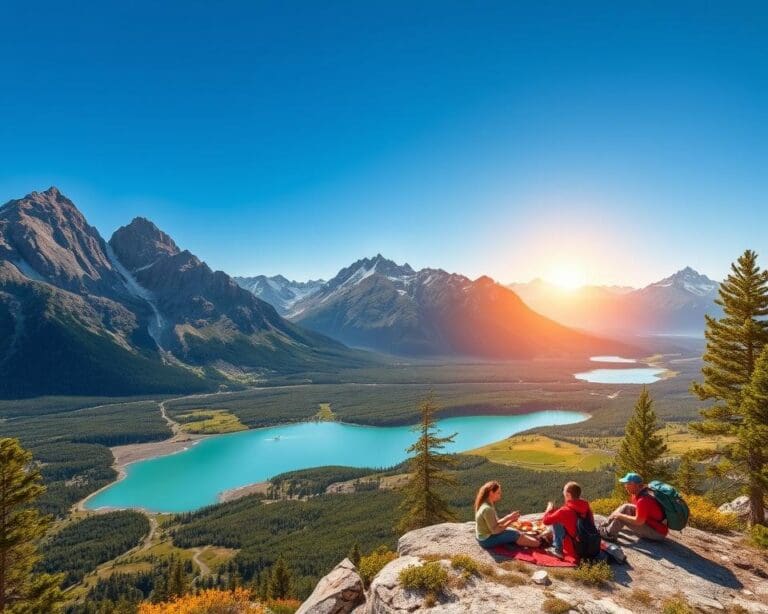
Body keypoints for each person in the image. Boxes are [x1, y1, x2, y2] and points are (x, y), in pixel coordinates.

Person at [598, 472, 668, 542]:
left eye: (628, 484)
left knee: (622, 518)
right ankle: (605, 524)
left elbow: (638, 521)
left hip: (657, 533)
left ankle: (609, 534)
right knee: (626, 506)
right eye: (625, 484)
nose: (625, 486)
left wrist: (620, 515)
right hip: (651, 524)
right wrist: (618, 515)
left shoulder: (643, 500)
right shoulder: (642, 492)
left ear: (637, 485)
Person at [474, 481, 542, 549]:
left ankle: (531, 540)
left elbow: (496, 522)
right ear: (491, 492)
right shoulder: (487, 509)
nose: (500, 495)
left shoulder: (485, 503)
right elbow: (495, 531)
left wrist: (509, 517)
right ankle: (538, 543)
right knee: (514, 534)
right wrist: (510, 521)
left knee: (512, 531)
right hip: (486, 540)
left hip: (483, 537)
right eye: (498, 493)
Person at [541, 481, 595, 560]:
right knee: (559, 519)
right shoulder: (585, 505)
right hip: (589, 542)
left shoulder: (564, 511)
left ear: (568, 495)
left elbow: (546, 521)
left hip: (574, 548)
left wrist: (548, 510)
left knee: (557, 521)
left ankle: (558, 550)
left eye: (564, 490)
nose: (563, 492)